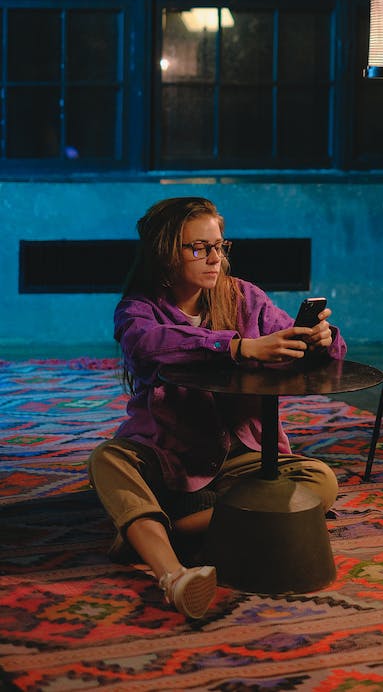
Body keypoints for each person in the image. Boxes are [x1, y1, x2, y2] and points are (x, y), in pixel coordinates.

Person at [88, 196, 346, 620]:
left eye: (220, 246)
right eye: (199, 247)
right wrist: (238, 347)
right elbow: (152, 347)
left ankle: (163, 529)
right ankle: (173, 575)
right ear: (166, 253)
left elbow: (304, 341)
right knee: (108, 461)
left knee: (320, 481)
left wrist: (322, 339)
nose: (214, 258)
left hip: (241, 455)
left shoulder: (244, 296)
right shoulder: (137, 311)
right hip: (171, 456)